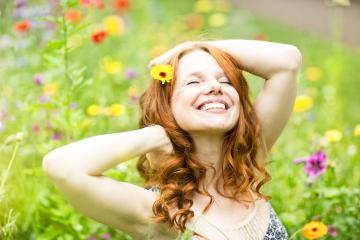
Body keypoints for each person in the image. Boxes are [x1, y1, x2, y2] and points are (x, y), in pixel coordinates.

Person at [42, 39, 302, 240]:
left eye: (225, 80)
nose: (215, 87)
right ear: (167, 106)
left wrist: (192, 47)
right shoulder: (160, 211)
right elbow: (61, 166)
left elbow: (287, 61)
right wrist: (154, 135)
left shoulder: (249, 157)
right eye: (193, 82)